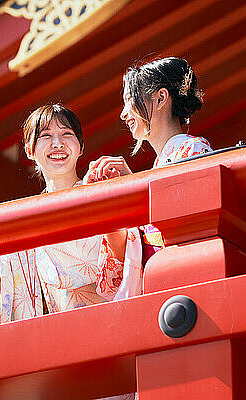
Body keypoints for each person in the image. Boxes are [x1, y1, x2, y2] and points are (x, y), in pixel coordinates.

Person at [0, 104, 140, 322]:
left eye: (67, 134)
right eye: (46, 136)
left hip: (113, 317)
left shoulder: (100, 192)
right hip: (61, 328)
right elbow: (5, 278)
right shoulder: (24, 216)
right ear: (29, 150)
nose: (57, 143)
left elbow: (126, 254)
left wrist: (110, 205)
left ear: (81, 146)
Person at [85, 56, 213, 297]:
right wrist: (129, 185)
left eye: (129, 101)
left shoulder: (192, 151)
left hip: (185, 280)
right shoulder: (168, 160)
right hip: (165, 281)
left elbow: (179, 225)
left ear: (161, 98)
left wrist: (135, 187)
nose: (124, 114)